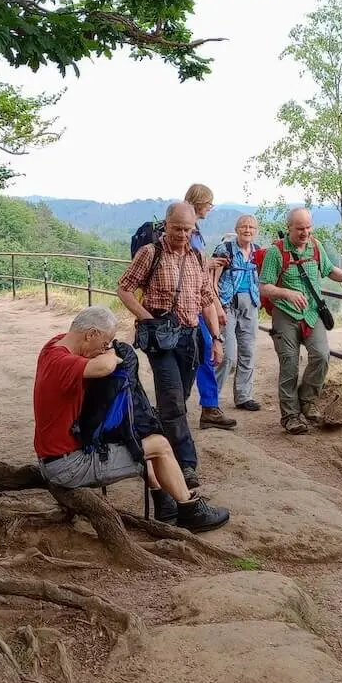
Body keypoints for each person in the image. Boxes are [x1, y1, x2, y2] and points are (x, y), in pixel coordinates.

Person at [32, 306, 229, 532]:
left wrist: (110, 345)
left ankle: (164, 503)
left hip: (55, 457)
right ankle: (190, 510)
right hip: (67, 466)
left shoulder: (54, 345)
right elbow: (105, 366)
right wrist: (112, 353)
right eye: (105, 341)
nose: (106, 347)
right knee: (159, 445)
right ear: (90, 335)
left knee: (137, 439)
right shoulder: (62, 363)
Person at [118, 202, 223, 489]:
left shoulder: (198, 257)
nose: (182, 234)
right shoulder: (149, 253)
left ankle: (154, 439)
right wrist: (147, 318)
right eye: (177, 228)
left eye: (188, 229)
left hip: (189, 338)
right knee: (174, 400)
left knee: (177, 398)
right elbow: (124, 288)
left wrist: (215, 338)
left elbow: (206, 299)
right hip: (161, 339)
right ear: (166, 224)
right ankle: (186, 464)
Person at [259, 207, 342, 435]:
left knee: (321, 355)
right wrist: (286, 293)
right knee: (289, 363)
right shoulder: (276, 252)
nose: (304, 232)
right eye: (299, 228)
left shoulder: (315, 247)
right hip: (285, 313)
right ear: (289, 228)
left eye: (308, 227)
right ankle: (290, 416)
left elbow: (328, 269)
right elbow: (264, 286)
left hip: (311, 313)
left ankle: (308, 401)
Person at [183, 183, 237, 430]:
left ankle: (205, 407)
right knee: (205, 351)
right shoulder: (191, 231)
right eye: (209, 203)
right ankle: (207, 407)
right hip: (191, 302)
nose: (210, 209)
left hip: (193, 299)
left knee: (201, 352)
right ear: (199, 203)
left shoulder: (193, 230)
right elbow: (192, 268)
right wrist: (215, 304)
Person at [212, 214, 262, 414]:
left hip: (250, 302)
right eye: (243, 227)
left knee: (248, 351)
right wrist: (216, 306)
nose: (247, 230)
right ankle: (211, 398)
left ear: (256, 231)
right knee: (228, 355)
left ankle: (244, 396)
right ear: (236, 228)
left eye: (251, 227)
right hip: (227, 304)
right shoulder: (225, 249)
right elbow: (212, 280)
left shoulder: (258, 252)